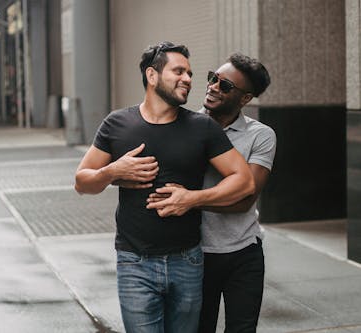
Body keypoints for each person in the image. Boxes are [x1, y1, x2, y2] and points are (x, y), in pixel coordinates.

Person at [74, 41, 255, 333]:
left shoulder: (202, 127)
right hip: (134, 262)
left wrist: (192, 199)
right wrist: (112, 171)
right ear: (152, 75)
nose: (188, 79)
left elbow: (243, 180)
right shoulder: (117, 124)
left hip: (187, 261)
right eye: (179, 71)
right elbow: (82, 182)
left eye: (190, 73)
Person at [148, 53, 276, 332]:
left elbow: (244, 200)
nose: (213, 86)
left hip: (244, 254)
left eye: (225, 85)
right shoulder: (183, 125)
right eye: (213, 78)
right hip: (193, 255)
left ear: (245, 99)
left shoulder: (261, 135)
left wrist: (190, 200)